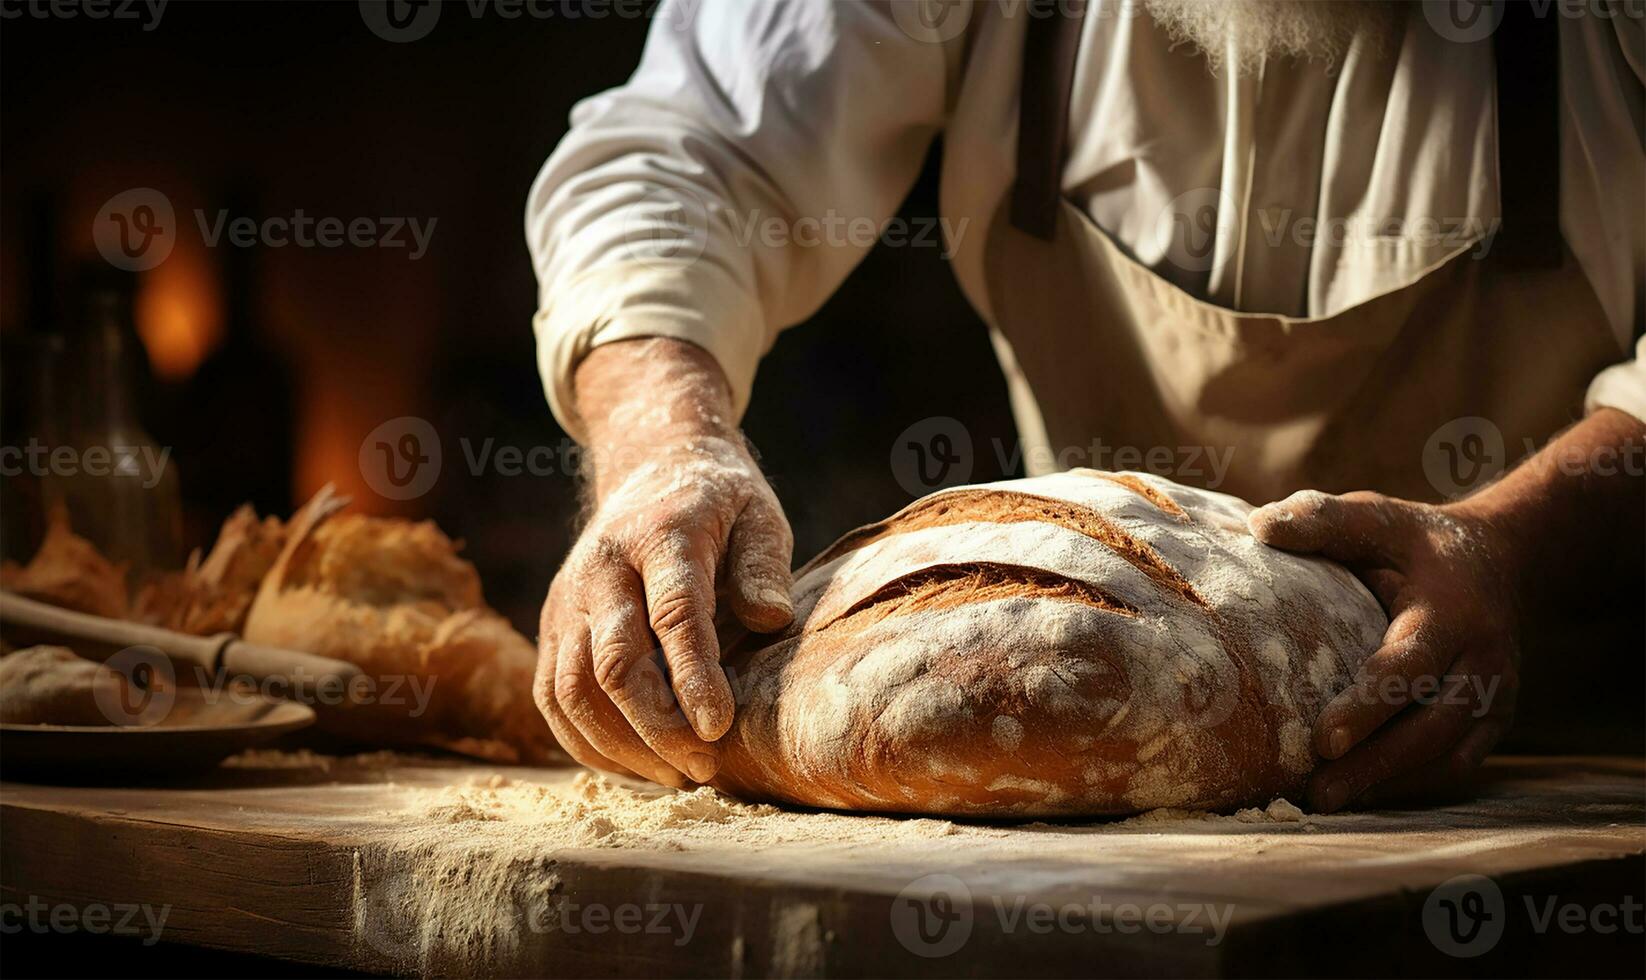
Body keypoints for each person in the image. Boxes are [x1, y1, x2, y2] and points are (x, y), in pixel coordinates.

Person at [524, 0, 1645, 810]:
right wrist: (660, 441)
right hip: (1064, 752)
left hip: (1578, 772)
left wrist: (1509, 550)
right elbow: (687, 149)